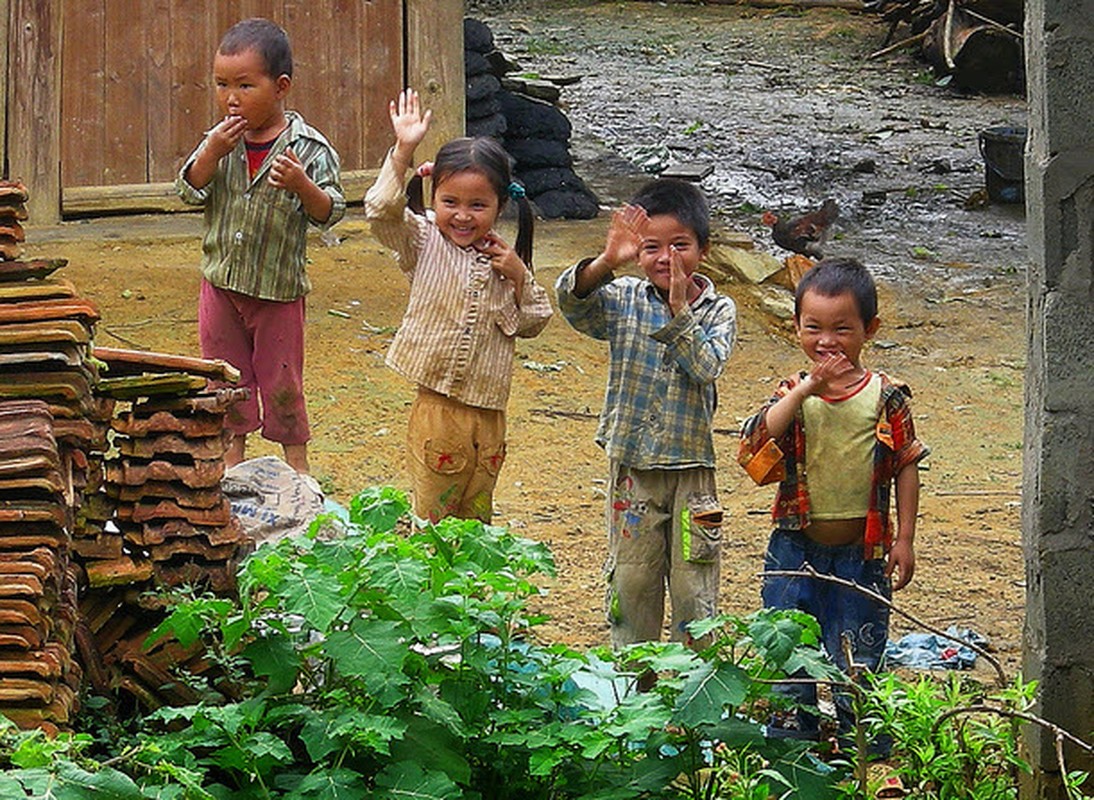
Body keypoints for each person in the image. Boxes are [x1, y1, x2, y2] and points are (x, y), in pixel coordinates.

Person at [737, 257, 929, 747]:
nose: (827, 342)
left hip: (861, 555)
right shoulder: (793, 396)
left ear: (870, 330)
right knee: (788, 654)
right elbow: (754, 445)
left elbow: (906, 463)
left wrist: (904, 539)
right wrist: (806, 389)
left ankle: (865, 750)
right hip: (794, 551)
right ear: (796, 327)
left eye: (842, 329)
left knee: (860, 660)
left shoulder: (886, 398)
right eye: (813, 328)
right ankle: (790, 747)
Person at [555, 180, 737, 649]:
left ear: (704, 249)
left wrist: (680, 312)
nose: (665, 258)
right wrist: (606, 261)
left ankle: (695, 691)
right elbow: (573, 306)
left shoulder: (718, 310)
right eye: (650, 247)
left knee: (694, 589)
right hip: (633, 467)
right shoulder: (626, 299)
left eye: (680, 245)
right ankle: (634, 692)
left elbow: (706, 366)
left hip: (692, 472)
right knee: (632, 583)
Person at [364, 89, 552, 524]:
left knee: (477, 520)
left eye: (478, 205)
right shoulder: (422, 241)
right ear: (433, 199)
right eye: (450, 202)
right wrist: (403, 150)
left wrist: (518, 275)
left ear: (500, 206)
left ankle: (468, 593)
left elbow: (535, 321)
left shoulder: (505, 262)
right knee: (433, 518)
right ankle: (432, 590)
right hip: (438, 410)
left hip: (490, 418)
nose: (463, 215)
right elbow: (379, 211)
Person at [177, 18, 345, 475]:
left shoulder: (308, 148)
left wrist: (301, 185)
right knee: (225, 376)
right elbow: (189, 189)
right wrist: (210, 153)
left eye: (246, 85)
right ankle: (233, 462)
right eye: (221, 84)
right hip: (221, 284)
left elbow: (330, 210)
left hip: (277, 292)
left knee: (282, 382)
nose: (231, 97)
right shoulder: (219, 141)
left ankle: (298, 469)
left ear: (281, 87)